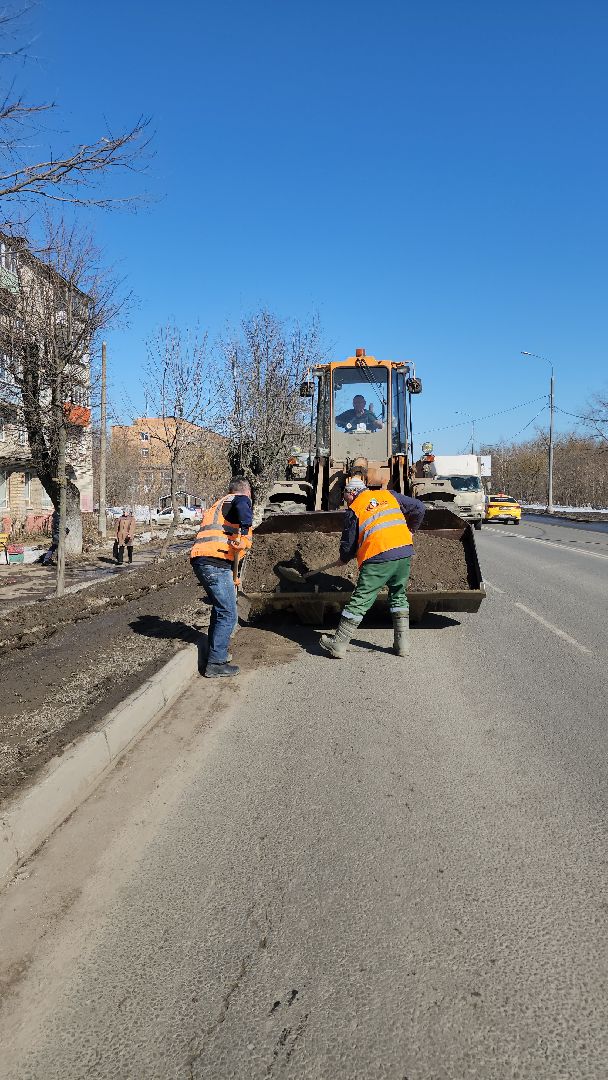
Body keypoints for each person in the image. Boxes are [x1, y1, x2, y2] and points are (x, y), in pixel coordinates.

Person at [319, 476, 425, 659]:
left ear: (352, 492)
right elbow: (420, 507)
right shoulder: (389, 495)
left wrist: (344, 558)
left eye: (345, 496)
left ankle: (338, 644)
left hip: (379, 556)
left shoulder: (355, 508)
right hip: (404, 552)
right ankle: (403, 646)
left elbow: (348, 543)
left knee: (360, 599)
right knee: (398, 595)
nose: (346, 501)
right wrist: (411, 530)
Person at [190, 477, 253, 679]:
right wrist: (244, 531)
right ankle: (216, 664)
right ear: (245, 491)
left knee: (220, 610)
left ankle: (216, 654)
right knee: (228, 613)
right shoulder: (239, 499)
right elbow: (243, 505)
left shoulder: (219, 505)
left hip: (207, 560)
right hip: (214, 563)